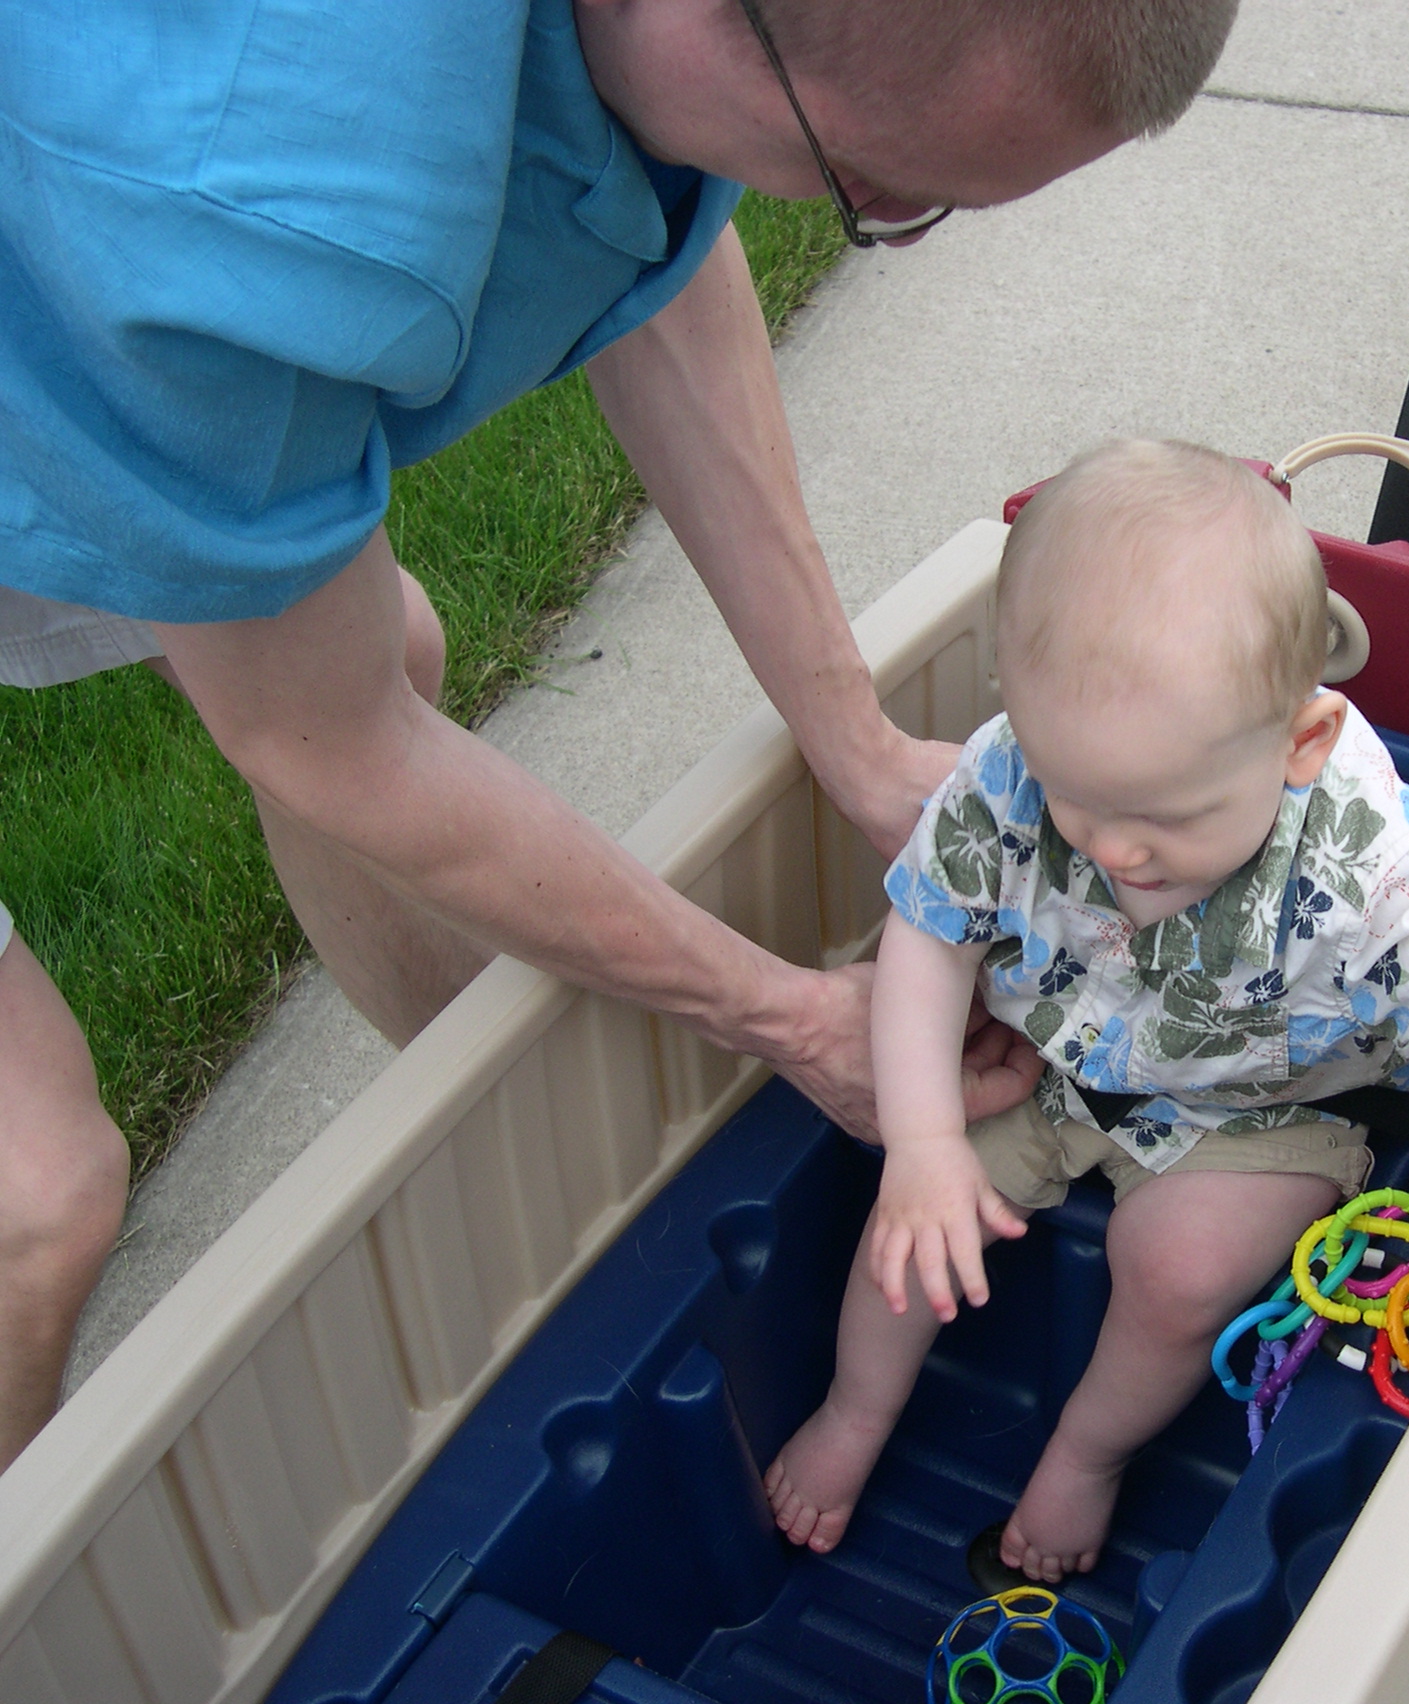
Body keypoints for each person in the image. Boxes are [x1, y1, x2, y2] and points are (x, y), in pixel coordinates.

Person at [0, 0, 1241, 1474]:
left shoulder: (665, 57)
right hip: (107, 236)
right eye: (878, 195)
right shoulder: (260, 229)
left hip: (113, 275)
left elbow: (657, 253)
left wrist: (852, 740)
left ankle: (509, 1176)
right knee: (38, 1199)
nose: (888, 219)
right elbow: (321, 740)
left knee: (378, 644)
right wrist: (786, 1018)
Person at [762, 439, 1409, 1582]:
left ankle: (1088, 1454)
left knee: (1179, 1268)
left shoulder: (1362, 852)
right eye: (1080, 801)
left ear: (1301, 743)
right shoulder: (1020, 767)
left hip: (1257, 1109)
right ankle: (856, 1412)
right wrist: (919, 1144)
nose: (1111, 846)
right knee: (908, 1216)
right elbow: (930, 926)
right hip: (1050, 1054)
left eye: (1164, 817)